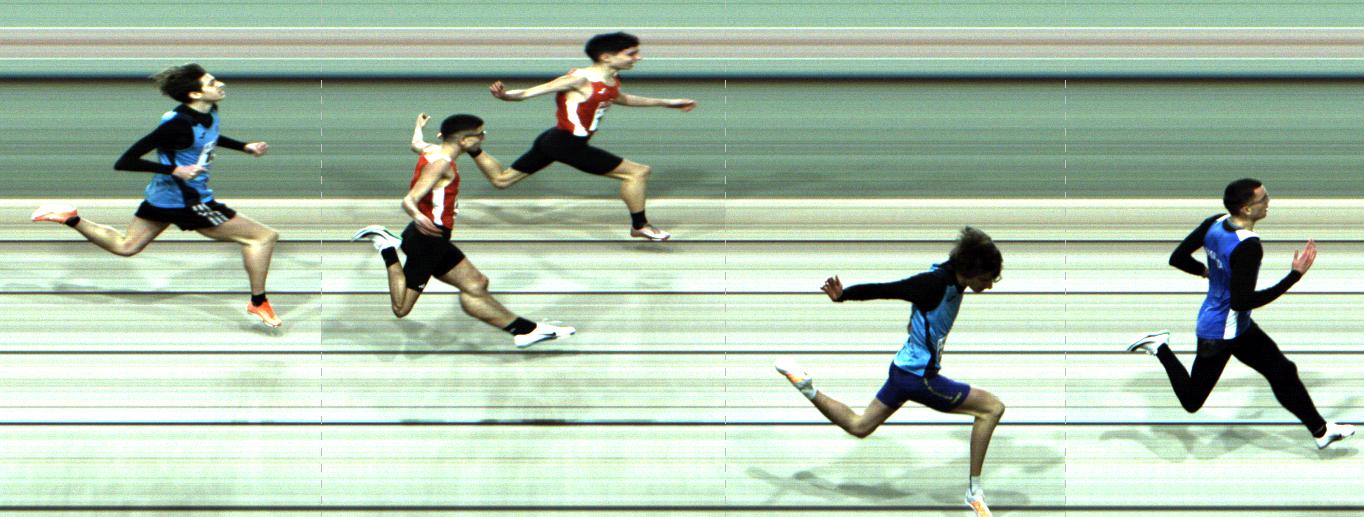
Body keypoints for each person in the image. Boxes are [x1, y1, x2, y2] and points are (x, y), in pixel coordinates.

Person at [776, 227, 1007, 517]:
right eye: (986, 279)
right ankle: (974, 493)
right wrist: (844, 295)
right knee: (992, 409)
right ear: (971, 271)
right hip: (920, 379)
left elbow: (969, 250)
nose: (989, 286)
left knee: (859, 426)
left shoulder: (953, 272)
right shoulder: (934, 284)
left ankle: (806, 386)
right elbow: (887, 289)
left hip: (902, 370)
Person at [30, 63, 282, 327]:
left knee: (127, 246)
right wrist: (175, 170)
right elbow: (125, 161)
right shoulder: (176, 124)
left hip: (161, 198)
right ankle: (258, 302)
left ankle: (70, 218)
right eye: (211, 83)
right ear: (195, 94)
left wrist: (244, 147)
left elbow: (208, 137)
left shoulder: (209, 112)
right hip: (188, 201)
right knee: (262, 237)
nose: (220, 84)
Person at [1127, 178, 1354, 449]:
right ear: (1246, 209)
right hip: (1220, 332)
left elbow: (1178, 258)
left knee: (1282, 371)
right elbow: (1242, 301)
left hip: (1236, 326)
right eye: (1263, 199)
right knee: (1191, 401)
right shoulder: (1248, 246)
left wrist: (1206, 271)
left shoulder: (1215, 222)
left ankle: (1320, 431)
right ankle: (1159, 346)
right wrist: (1294, 276)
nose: (1268, 202)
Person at [351, 113, 575, 348]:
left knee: (476, 284)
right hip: (428, 240)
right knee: (401, 307)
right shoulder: (441, 165)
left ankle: (526, 331)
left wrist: (418, 126)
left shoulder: (431, 150)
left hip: (432, 238)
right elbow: (409, 200)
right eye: (480, 134)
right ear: (464, 141)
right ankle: (387, 247)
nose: (483, 137)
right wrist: (417, 215)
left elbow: (415, 143)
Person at [483, 31, 696, 241]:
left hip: (554, 139)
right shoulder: (579, 79)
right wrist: (504, 95)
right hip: (566, 143)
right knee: (637, 173)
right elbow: (527, 93)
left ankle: (472, 147)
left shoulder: (611, 79)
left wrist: (667, 103)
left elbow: (619, 98)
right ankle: (640, 226)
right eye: (631, 54)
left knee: (502, 181)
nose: (638, 58)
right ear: (606, 57)